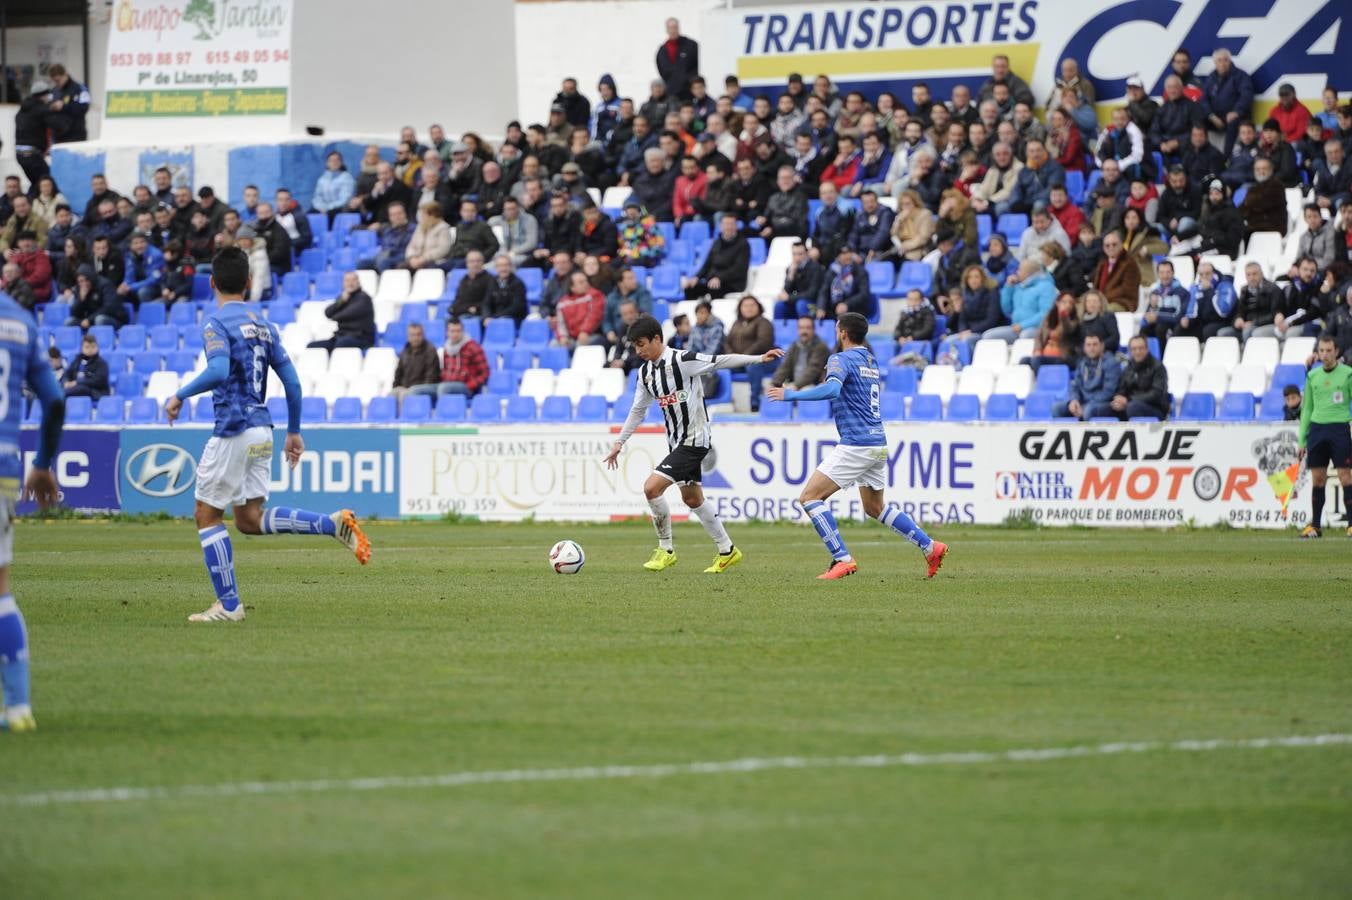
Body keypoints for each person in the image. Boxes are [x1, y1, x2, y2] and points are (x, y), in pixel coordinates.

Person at [164, 247, 371, 623]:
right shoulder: (265, 326)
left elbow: (218, 370)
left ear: (212, 283)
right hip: (262, 428)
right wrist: (294, 431)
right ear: (248, 282)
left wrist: (179, 394)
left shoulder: (215, 324)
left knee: (206, 515)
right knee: (248, 519)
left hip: (233, 428)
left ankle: (229, 606)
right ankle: (332, 523)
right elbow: (292, 384)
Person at [765, 312, 948, 580]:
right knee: (875, 508)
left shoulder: (840, 358)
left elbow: (832, 390)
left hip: (857, 443)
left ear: (842, 333)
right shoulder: (869, 360)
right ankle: (931, 547)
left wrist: (789, 395)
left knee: (810, 498)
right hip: (877, 442)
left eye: (838, 329)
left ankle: (842, 559)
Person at [603, 315, 782, 574]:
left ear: (657, 339)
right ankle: (728, 551)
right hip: (676, 443)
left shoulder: (682, 360)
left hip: (695, 441)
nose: (639, 350)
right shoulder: (645, 373)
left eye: (642, 344)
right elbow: (638, 410)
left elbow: (719, 361)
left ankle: (665, 550)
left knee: (651, 488)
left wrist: (758, 358)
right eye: (635, 346)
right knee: (692, 498)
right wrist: (620, 442)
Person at [0, 248, 64, 731]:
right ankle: (19, 706)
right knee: (1, 591)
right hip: (5, 465)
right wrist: (42, 464)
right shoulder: (21, 323)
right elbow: (55, 398)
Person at [1297, 335, 1352, 538]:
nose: (1326, 354)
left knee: (1345, 476)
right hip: (1317, 430)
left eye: (1329, 350)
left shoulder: (1348, 374)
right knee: (1318, 479)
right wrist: (1302, 439)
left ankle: (1351, 525)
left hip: (1339, 429)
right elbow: (1307, 409)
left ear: (1336, 351)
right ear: (1318, 353)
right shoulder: (1312, 376)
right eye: (1322, 350)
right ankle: (1316, 526)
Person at [986, 257, 1056, 343]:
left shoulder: (1046, 287)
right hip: (1016, 328)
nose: (1016, 273)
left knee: (1025, 336)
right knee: (988, 336)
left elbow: (1046, 314)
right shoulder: (1018, 287)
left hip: (1038, 329)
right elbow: (1007, 310)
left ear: (1028, 273)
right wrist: (1008, 287)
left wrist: (1023, 325)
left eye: (1019, 270)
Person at [725, 295, 776, 410]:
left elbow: (763, 343)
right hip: (740, 361)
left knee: (753, 367)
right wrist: (732, 356)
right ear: (740, 308)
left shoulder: (764, 322)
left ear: (759, 307)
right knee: (720, 366)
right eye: (745, 306)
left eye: (752, 305)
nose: (749, 308)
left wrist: (745, 357)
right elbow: (726, 342)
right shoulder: (736, 323)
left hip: (764, 361)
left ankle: (755, 403)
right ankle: (725, 402)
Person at [1054, 333, 1121, 420]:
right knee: (1056, 409)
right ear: (1084, 348)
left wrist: (1086, 404)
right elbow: (1075, 386)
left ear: (1102, 346)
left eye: (1095, 344)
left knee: (1088, 410)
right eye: (1088, 345)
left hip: (1104, 403)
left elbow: (1108, 392)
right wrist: (1074, 400)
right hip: (1084, 402)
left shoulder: (1111, 363)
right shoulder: (1082, 363)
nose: (1091, 348)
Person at [683, 212, 749, 299]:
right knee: (690, 288)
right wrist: (696, 277)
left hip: (733, 283)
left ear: (736, 226)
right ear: (721, 226)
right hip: (713, 281)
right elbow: (707, 264)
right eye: (726, 224)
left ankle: (715, 312)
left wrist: (719, 278)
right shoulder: (716, 243)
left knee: (714, 288)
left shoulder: (743, 244)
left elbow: (738, 269)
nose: (728, 227)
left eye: (731, 224)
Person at [1202, 48, 1254, 153]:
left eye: (1225, 60)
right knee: (1198, 121)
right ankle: (1203, 155)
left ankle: (1226, 157)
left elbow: (1246, 96)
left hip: (1235, 116)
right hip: (1215, 118)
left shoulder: (1241, 76)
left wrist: (1236, 111)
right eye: (1219, 60)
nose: (1222, 63)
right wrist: (1211, 116)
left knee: (1233, 121)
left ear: (1230, 61)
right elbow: (1204, 99)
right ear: (1215, 62)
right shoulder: (1211, 78)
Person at [1106, 335, 1169, 420]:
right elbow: (1121, 389)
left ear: (1147, 349)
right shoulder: (1128, 367)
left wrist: (1128, 400)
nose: (1137, 352)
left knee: (1133, 407)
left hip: (1155, 408)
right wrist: (1119, 399)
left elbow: (1156, 394)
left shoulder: (1158, 367)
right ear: (1130, 351)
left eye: (1141, 348)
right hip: (1130, 404)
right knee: (1106, 409)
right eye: (1134, 349)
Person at [309, 271, 375, 351]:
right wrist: (340, 301)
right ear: (343, 283)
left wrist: (334, 317)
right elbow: (328, 312)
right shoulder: (343, 298)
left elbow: (348, 314)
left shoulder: (364, 298)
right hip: (340, 336)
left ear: (358, 282)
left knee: (341, 344)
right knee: (312, 346)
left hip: (360, 337)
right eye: (347, 281)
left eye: (353, 280)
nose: (350, 283)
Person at [1221, 261, 1282, 343]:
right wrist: (1238, 320)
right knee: (1223, 333)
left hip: (1263, 324)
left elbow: (1275, 314)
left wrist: (1254, 323)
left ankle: (1248, 355)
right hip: (1247, 325)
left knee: (1248, 331)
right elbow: (1239, 311)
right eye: (1248, 275)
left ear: (1261, 274)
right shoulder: (1244, 289)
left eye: (1254, 274)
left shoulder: (1273, 289)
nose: (1251, 277)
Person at [391, 322, 443, 409]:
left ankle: (403, 419)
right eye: (412, 335)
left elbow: (431, 377)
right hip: (407, 387)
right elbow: (398, 373)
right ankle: (391, 420)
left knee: (408, 393)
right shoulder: (405, 351)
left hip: (425, 387)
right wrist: (396, 387)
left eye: (418, 334)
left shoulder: (430, 350)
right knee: (392, 394)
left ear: (423, 335)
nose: (415, 338)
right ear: (408, 336)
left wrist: (413, 388)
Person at [436, 317, 490, 398]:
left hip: (466, 386)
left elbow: (485, 373)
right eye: (452, 331)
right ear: (447, 333)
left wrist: (471, 385)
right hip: (446, 384)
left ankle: (444, 410)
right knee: (416, 390)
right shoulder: (445, 348)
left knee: (443, 388)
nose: (455, 334)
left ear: (463, 331)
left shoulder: (473, 347)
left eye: (458, 331)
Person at [1141, 259, 1189, 345]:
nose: (1165, 276)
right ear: (1158, 274)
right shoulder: (1155, 292)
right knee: (1144, 330)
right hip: (1158, 324)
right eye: (1162, 272)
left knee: (1161, 328)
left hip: (1173, 326)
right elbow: (1147, 316)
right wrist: (1153, 307)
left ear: (1173, 273)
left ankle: (1164, 357)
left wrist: (1158, 317)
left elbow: (1179, 317)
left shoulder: (1182, 292)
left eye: (1168, 272)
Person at [1092, 231, 1140, 313]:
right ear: (1103, 248)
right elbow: (1096, 287)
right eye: (1107, 245)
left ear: (1121, 245)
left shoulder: (1130, 263)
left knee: (1107, 310)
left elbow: (1126, 289)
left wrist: (1102, 299)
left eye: (1114, 244)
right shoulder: (1103, 263)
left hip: (1122, 302)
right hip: (1101, 301)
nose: (1111, 247)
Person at [555, 270, 605, 349]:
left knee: (581, 345)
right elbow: (560, 323)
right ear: (572, 287)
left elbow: (594, 316)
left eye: (586, 281)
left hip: (591, 335)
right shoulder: (563, 302)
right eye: (581, 282)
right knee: (554, 345)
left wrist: (585, 331)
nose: (586, 284)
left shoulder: (595, 295)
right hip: (571, 338)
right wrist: (562, 336)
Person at [818, 246, 871, 320]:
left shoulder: (860, 271)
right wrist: (821, 307)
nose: (847, 256)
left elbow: (864, 294)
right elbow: (824, 291)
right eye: (843, 254)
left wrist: (847, 304)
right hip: (834, 308)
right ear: (838, 257)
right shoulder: (832, 271)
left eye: (849, 253)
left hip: (854, 308)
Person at [44, 63, 90, 143]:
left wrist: (64, 106)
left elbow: (84, 107)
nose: (57, 83)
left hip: (75, 136)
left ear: (65, 75)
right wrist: (51, 107)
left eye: (58, 80)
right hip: (58, 136)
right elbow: (47, 107)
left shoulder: (79, 88)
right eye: (54, 81)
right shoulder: (54, 91)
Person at [403, 202, 453, 270]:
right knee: (401, 267)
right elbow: (411, 245)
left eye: (424, 214)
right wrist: (412, 257)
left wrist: (424, 258)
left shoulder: (443, 228)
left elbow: (443, 249)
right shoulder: (420, 227)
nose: (421, 217)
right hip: (416, 259)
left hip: (434, 261)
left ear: (432, 215)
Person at [61, 333, 109, 400]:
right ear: (82, 348)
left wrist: (77, 382)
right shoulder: (77, 360)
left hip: (95, 392)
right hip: (76, 390)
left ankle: (59, 396)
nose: (90, 349)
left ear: (97, 347)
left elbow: (97, 381)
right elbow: (67, 373)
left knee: (82, 388)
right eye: (87, 347)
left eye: (93, 347)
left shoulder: (102, 363)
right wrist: (66, 382)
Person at [312, 151, 356, 223]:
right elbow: (317, 197)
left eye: (337, 160)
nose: (334, 162)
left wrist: (328, 208)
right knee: (309, 214)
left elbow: (345, 199)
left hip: (339, 209)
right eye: (331, 160)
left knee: (331, 215)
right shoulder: (322, 179)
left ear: (341, 162)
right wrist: (321, 207)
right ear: (327, 163)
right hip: (323, 209)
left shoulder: (347, 178)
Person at [485, 254, 529, 324]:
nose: (503, 269)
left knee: (503, 321)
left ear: (511, 266)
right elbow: (486, 303)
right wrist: (486, 316)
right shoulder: (492, 281)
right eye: (500, 266)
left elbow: (516, 307)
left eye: (506, 265)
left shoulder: (518, 283)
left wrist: (495, 317)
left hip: (513, 318)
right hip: (495, 317)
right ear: (496, 268)